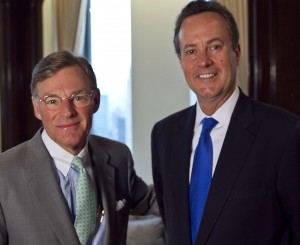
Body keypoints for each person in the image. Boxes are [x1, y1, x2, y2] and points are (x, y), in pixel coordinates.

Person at [151, 1, 300, 245]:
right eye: (191, 51)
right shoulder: (164, 135)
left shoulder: (284, 134)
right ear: (181, 61)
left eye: (215, 47)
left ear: (236, 53)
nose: (204, 61)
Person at [0, 50, 158, 245]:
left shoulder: (118, 156)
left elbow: (154, 201)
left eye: (78, 98)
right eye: (52, 101)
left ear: (96, 100)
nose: (67, 112)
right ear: (36, 108)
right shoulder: (4, 174)